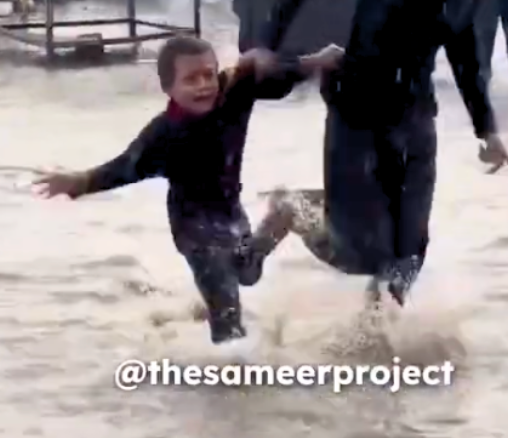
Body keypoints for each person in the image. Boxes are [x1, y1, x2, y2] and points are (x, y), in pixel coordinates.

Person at [257, 0, 508, 307]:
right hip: (356, 116)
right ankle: (292, 209)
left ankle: (375, 340)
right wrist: (266, 44)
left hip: (414, 118)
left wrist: (486, 131)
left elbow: (466, 59)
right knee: (357, 249)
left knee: (409, 250)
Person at [32, 36, 338, 344]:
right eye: (190, 79)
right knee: (227, 313)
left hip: (231, 217)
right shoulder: (163, 134)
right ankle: (231, 371)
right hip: (194, 232)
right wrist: (80, 182)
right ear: (169, 89)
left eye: (208, 75)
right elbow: (125, 167)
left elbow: (279, 74)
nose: (203, 85)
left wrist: (318, 60)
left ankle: (324, 242)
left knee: (252, 265)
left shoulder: (233, 93)